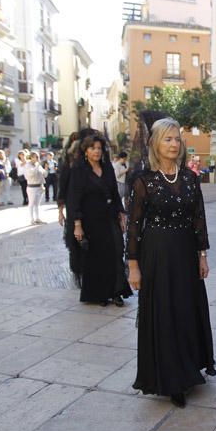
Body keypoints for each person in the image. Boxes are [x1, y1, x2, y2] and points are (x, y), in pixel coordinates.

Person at [127, 118, 216, 408]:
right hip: (157, 255)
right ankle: (172, 378)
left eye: (177, 139)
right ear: (155, 143)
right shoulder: (143, 181)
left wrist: (202, 254)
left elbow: (198, 218)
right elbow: (134, 226)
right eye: (167, 139)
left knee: (186, 309)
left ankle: (190, 366)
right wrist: (133, 265)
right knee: (165, 312)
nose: (174, 144)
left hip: (185, 254)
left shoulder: (190, 178)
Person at [67, 130, 132, 306]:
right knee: (97, 257)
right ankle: (100, 294)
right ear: (85, 150)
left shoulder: (108, 168)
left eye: (99, 148)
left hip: (110, 218)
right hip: (90, 220)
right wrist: (77, 224)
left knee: (116, 251)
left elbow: (115, 194)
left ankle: (117, 291)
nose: (96, 151)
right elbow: (74, 199)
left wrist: (121, 214)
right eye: (92, 148)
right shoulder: (79, 170)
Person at [58, 132, 84, 285]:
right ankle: (76, 269)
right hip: (72, 203)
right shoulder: (68, 164)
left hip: (80, 204)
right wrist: (61, 209)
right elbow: (63, 185)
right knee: (74, 237)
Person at [24, 151, 46, 225]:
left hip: (39, 186)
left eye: (37, 156)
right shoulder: (28, 165)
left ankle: (37, 218)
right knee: (31, 203)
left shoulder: (38, 165)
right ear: (31, 157)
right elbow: (32, 174)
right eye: (34, 156)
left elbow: (44, 174)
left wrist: (46, 169)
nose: (36, 158)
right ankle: (31, 219)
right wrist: (37, 166)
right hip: (32, 187)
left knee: (37, 204)